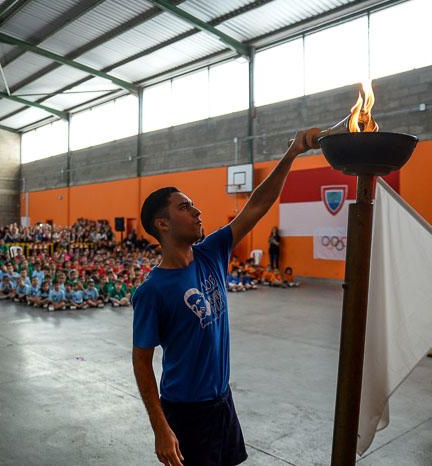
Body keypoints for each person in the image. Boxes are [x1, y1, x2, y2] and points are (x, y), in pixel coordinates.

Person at [131, 129, 315, 466]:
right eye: (185, 208)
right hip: (185, 412)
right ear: (163, 224)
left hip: (222, 402)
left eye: (194, 205)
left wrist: (292, 153)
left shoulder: (211, 253)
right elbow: (142, 361)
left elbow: (258, 203)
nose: (197, 211)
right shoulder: (151, 292)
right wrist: (160, 427)